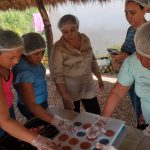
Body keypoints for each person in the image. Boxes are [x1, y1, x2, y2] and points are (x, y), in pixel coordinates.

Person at [86, 21, 150, 140]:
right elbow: (117, 93)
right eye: (138, 53)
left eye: (144, 57)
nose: (138, 57)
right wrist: (103, 120)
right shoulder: (133, 62)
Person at [0, 29, 60, 150]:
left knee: (11, 136)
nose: (16, 61)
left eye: (18, 56)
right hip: (2, 115)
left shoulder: (6, 65)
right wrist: (38, 140)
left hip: (8, 107)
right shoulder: (22, 71)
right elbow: (3, 120)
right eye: (12, 57)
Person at [13, 32, 77, 134]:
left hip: (41, 100)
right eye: (36, 54)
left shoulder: (33, 62)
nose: (40, 57)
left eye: (42, 52)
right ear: (24, 52)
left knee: (45, 124)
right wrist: (57, 121)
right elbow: (31, 105)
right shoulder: (24, 72)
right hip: (32, 106)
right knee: (40, 129)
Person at [50, 14, 104, 115]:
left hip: (87, 85)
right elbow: (57, 75)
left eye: (72, 30)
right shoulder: (58, 48)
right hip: (70, 88)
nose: (70, 34)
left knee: (95, 113)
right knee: (73, 117)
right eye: (65, 32)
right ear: (61, 32)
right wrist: (65, 96)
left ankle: (96, 131)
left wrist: (99, 77)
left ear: (77, 27)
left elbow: (92, 59)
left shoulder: (85, 39)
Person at [110, 0, 149, 129]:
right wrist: (118, 60)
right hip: (129, 81)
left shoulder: (148, 32)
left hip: (143, 82)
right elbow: (125, 50)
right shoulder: (130, 30)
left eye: (132, 12)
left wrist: (129, 58)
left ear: (144, 10)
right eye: (126, 13)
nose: (129, 17)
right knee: (138, 110)